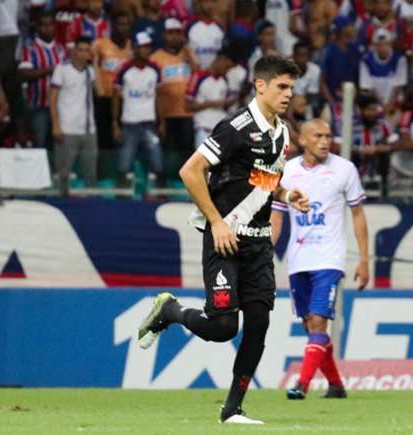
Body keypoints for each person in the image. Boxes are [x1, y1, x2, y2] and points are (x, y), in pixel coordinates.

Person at [137, 55, 308, 425]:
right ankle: (170, 311)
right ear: (260, 85)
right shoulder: (235, 127)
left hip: (259, 242)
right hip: (225, 239)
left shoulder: (281, 132)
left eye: (291, 88)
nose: (288, 94)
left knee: (259, 322)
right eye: (281, 86)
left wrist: (287, 196)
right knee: (223, 327)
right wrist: (217, 222)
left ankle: (233, 409)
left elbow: (260, 180)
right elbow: (190, 170)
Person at [270, 118, 370, 400]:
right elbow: (276, 216)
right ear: (302, 140)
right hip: (298, 258)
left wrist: (364, 260)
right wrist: (266, 253)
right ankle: (336, 386)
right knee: (310, 326)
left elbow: (358, 215)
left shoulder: (344, 169)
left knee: (317, 322)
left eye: (328, 136)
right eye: (318, 136)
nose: (325, 141)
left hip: (330, 258)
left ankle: (301, 384)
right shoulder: (287, 172)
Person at [112, 31, 164, 186]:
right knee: (124, 165)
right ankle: (120, 199)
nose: (147, 50)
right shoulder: (124, 70)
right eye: (143, 47)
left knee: (158, 163)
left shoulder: (155, 69)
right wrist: (115, 124)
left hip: (150, 125)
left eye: (148, 47)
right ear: (135, 48)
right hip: (129, 126)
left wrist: (162, 122)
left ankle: (161, 198)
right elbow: (115, 97)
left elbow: (159, 97)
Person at [50, 36, 98, 196]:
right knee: (64, 173)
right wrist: (56, 125)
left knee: (90, 173)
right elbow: (53, 99)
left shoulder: (90, 71)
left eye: (87, 50)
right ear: (74, 52)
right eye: (81, 50)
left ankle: (91, 206)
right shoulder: (62, 69)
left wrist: (96, 64)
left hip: (89, 129)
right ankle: (62, 204)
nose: (85, 53)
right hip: (67, 127)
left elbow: (102, 91)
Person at [150, 18, 195, 175]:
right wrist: (159, 120)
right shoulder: (155, 58)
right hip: (167, 115)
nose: (175, 36)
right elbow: (154, 92)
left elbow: (199, 75)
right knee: (167, 154)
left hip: (187, 114)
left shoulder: (188, 55)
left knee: (187, 154)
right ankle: (163, 188)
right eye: (171, 33)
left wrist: (189, 54)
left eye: (178, 33)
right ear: (164, 35)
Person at [19, 11, 66, 149]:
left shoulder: (61, 49)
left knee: (59, 143)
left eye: (50, 25)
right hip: (38, 106)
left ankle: (57, 171)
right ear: (38, 28)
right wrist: (50, 69)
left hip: (60, 107)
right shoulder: (30, 49)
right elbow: (24, 73)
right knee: (40, 144)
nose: (47, 28)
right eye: (43, 25)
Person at [92, 12, 132, 149]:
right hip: (105, 98)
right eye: (121, 24)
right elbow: (94, 67)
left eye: (127, 24)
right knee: (104, 140)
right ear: (113, 26)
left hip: (125, 101)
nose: (124, 28)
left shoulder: (132, 48)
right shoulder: (100, 44)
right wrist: (99, 90)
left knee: (123, 140)